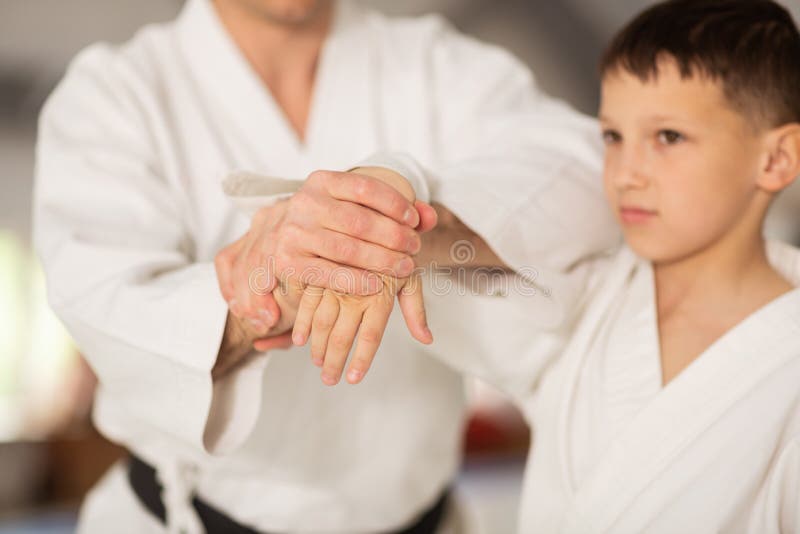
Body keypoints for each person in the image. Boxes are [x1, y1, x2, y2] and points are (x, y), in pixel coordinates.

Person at [33, 0, 617, 532]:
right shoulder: (114, 93)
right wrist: (272, 288)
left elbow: (596, 178)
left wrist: (406, 216)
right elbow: (109, 305)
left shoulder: (437, 64)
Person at [273, 0, 800, 531]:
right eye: (614, 137)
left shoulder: (786, 365)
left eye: (668, 138)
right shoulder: (587, 297)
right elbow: (460, 258)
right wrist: (388, 201)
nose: (626, 173)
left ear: (776, 159)